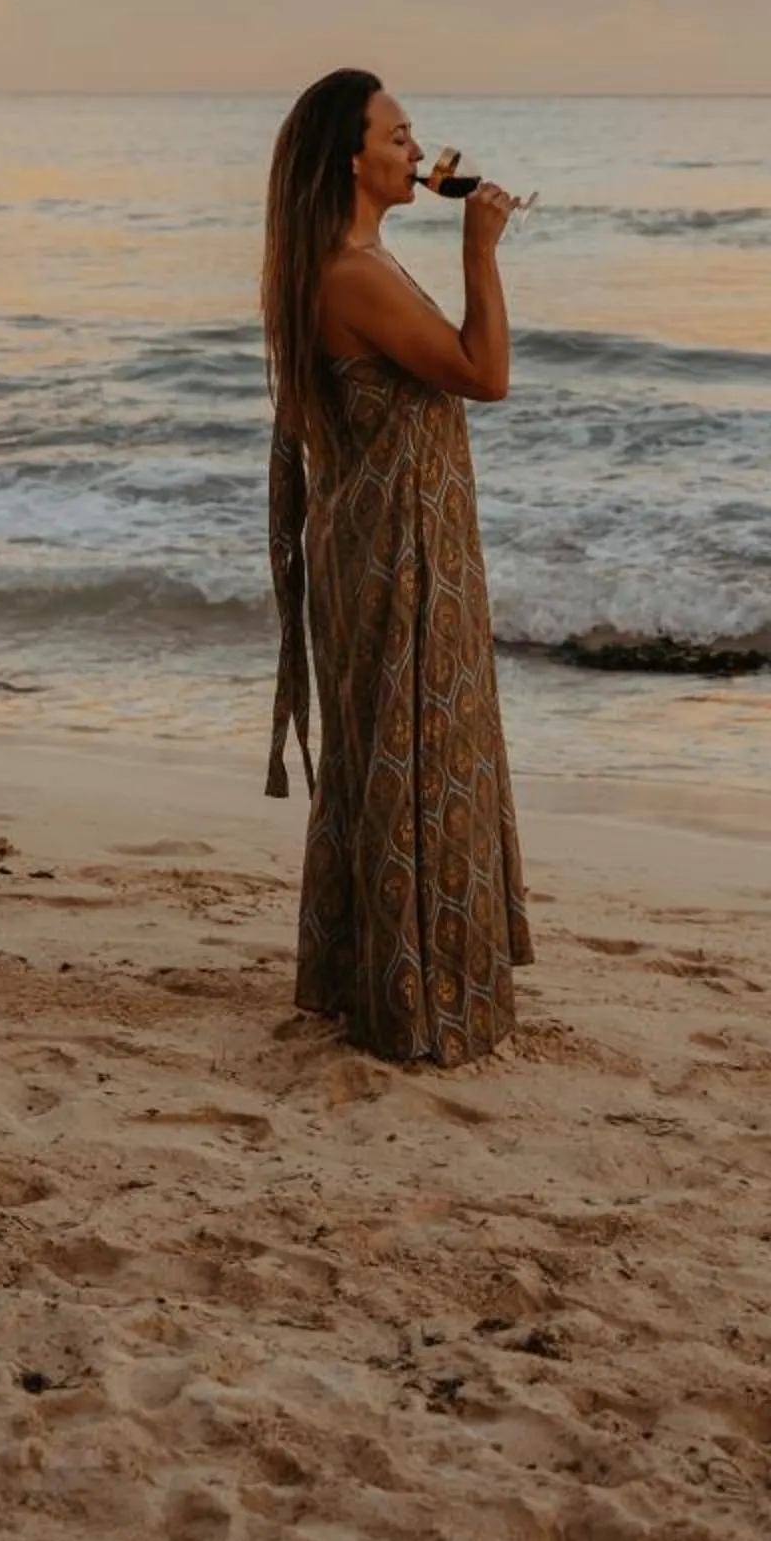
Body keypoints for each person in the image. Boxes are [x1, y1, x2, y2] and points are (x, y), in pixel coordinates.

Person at [260, 68, 532, 1066]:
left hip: (380, 542)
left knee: (392, 752)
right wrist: (480, 251)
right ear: (352, 160)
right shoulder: (353, 274)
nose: (417, 153)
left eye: (414, 138)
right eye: (398, 137)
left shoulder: (344, 262)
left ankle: (373, 980)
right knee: (418, 753)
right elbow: (484, 374)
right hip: (396, 553)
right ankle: (419, 999)